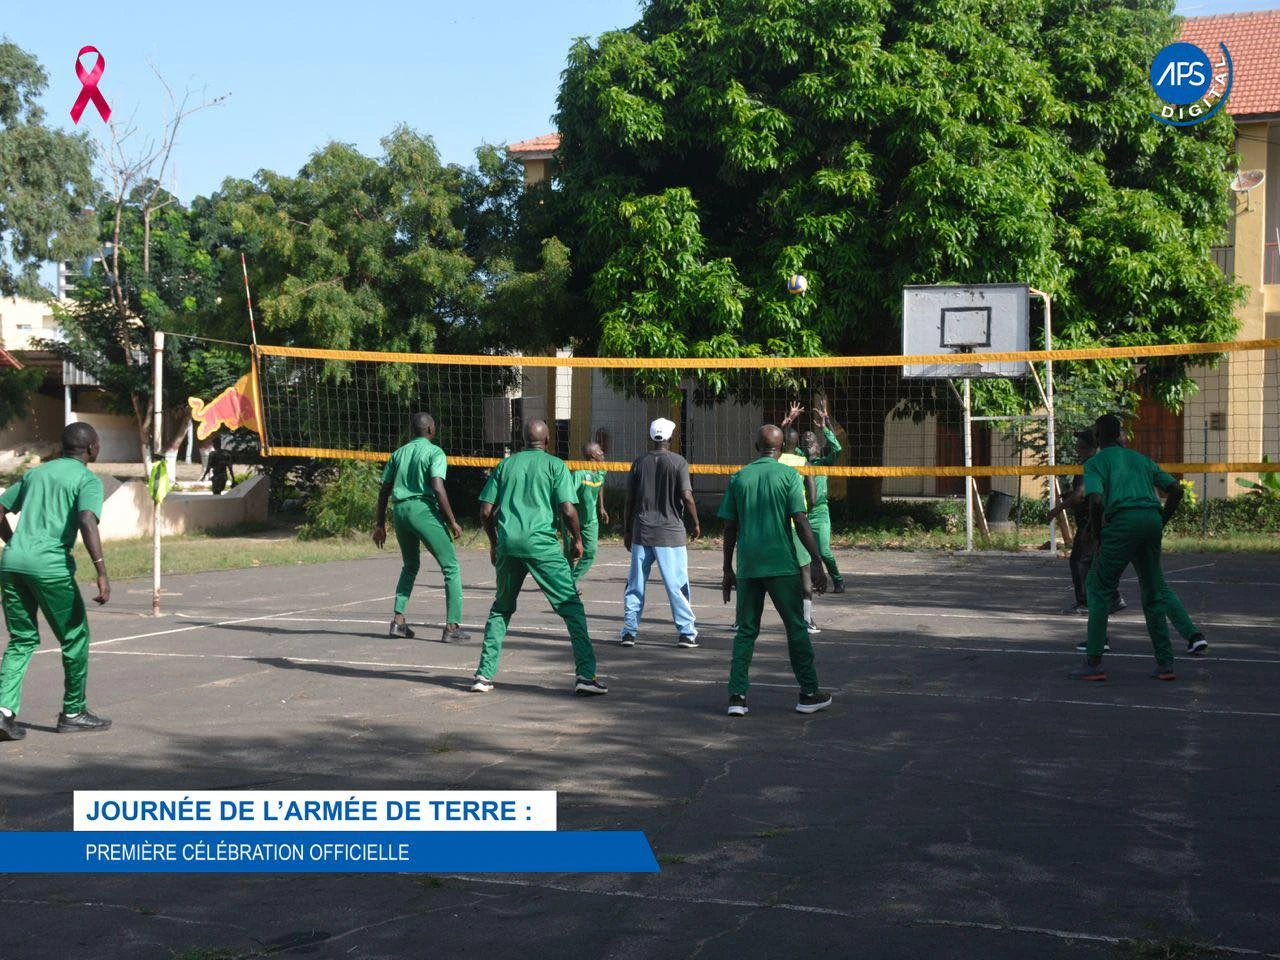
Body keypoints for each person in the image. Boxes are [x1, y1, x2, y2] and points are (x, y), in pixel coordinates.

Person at [471, 419, 606, 696]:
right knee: (572, 607)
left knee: (501, 608)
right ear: (547, 441)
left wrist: (495, 543)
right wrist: (578, 540)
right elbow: (568, 510)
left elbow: (485, 512)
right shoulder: (555, 465)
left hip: (509, 543)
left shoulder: (506, 465)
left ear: (523, 440)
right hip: (541, 545)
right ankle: (585, 675)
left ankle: (483, 675)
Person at [1072, 414, 1208, 682]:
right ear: (1120, 434)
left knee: (1098, 587)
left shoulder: (1096, 462)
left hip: (1121, 524)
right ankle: (1165, 665)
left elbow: (1096, 500)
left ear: (1098, 438)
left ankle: (1094, 661)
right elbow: (1176, 490)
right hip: (1150, 521)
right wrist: (1161, 520)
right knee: (1154, 592)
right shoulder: (1141, 459)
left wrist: (1097, 535)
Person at [0, 422, 112, 741]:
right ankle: (73, 712)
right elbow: (87, 519)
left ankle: (3, 712)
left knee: (22, 638)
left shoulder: (37, 473)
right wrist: (101, 572)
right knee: (75, 636)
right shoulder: (86, 479)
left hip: (12, 563)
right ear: (92, 447)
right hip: (50, 567)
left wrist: (13, 543)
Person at [719, 424, 832, 716]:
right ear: (781, 448)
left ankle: (737, 697)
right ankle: (808, 693)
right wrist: (817, 562)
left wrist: (726, 570)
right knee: (796, 627)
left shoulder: (739, 477)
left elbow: (729, 527)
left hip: (748, 566)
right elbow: (801, 521)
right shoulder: (789, 475)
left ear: (756, 446)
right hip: (781, 564)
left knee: (745, 632)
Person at [373, 412, 468, 644]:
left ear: (412, 431)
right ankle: (452, 627)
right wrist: (451, 520)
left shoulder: (399, 453)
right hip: (422, 510)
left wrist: (379, 524)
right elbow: (437, 486)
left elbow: (384, 490)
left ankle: (398, 621)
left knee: (410, 565)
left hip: (400, 511)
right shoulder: (435, 452)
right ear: (431, 430)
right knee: (451, 567)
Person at [619, 417, 700, 648]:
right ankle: (686, 632)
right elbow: (686, 496)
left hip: (642, 531)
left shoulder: (639, 463)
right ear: (671, 438)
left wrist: (627, 529)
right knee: (676, 585)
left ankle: (629, 632)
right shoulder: (678, 462)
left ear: (651, 437)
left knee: (635, 583)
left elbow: (629, 500)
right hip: (670, 533)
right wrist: (695, 522)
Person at [1050, 428, 1127, 617]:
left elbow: (1081, 494)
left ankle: (1085, 602)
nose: (1076, 444)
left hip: (1091, 520)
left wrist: (1056, 510)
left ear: (1085, 444)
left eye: (1079, 440)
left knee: (1080, 561)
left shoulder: (1091, 463)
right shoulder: (1088, 463)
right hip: (1098, 518)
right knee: (1095, 562)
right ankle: (1114, 598)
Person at [801, 402, 846, 594]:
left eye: (813, 441)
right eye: (806, 442)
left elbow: (837, 448)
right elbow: (785, 446)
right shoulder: (799, 462)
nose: (809, 442)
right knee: (803, 554)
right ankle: (812, 582)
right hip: (802, 513)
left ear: (819, 448)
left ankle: (838, 580)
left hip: (820, 512)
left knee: (824, 552)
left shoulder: (824, 463)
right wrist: (788, 423)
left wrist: (826, 423)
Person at [565, 441, 609, 590]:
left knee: (589, 553)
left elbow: (601, 484)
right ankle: (566, 583)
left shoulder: (602, 469)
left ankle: (570, 583)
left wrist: (601, 507)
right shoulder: (579, 474)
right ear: (592, 455)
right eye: (599, 451)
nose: (602, 453)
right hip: (573, 520)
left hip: (591, 520)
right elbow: (567, 497)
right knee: (571, 554)